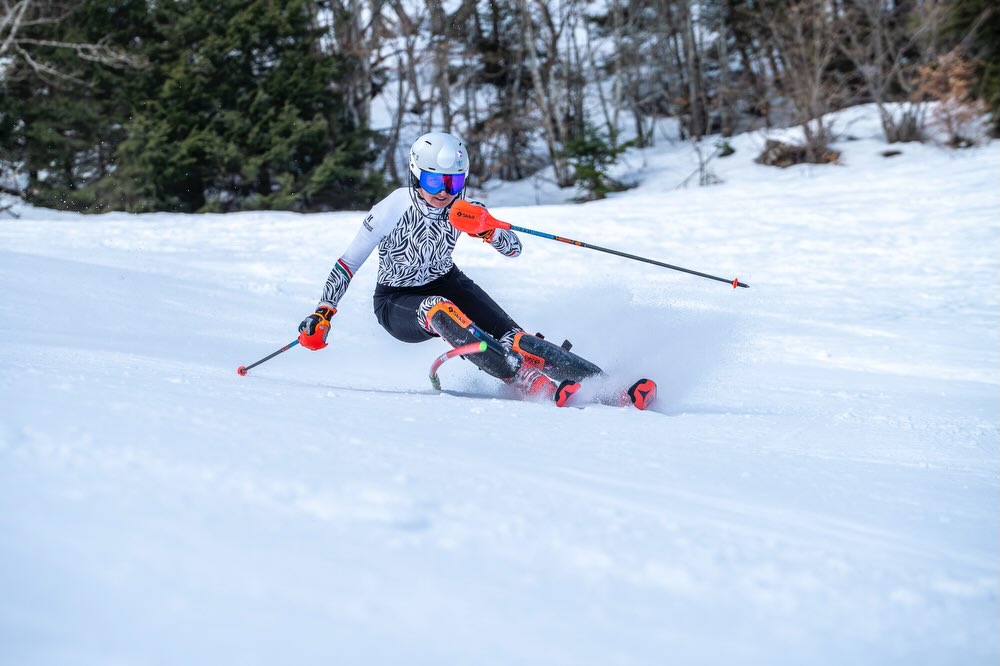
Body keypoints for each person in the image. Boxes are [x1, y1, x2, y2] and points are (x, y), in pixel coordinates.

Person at [297, 131, 604, 406]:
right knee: (438, 308)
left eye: (453, 182)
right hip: (396, 299)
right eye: (434, 182)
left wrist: (488, 229)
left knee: (516, 339)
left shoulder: (464, 209)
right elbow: (348, 262)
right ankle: (524, 378)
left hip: (448, 281)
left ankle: (603, 384)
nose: (444, 192)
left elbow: (514, 249)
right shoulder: (392, 208)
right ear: (416, 175)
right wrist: (324, 312)